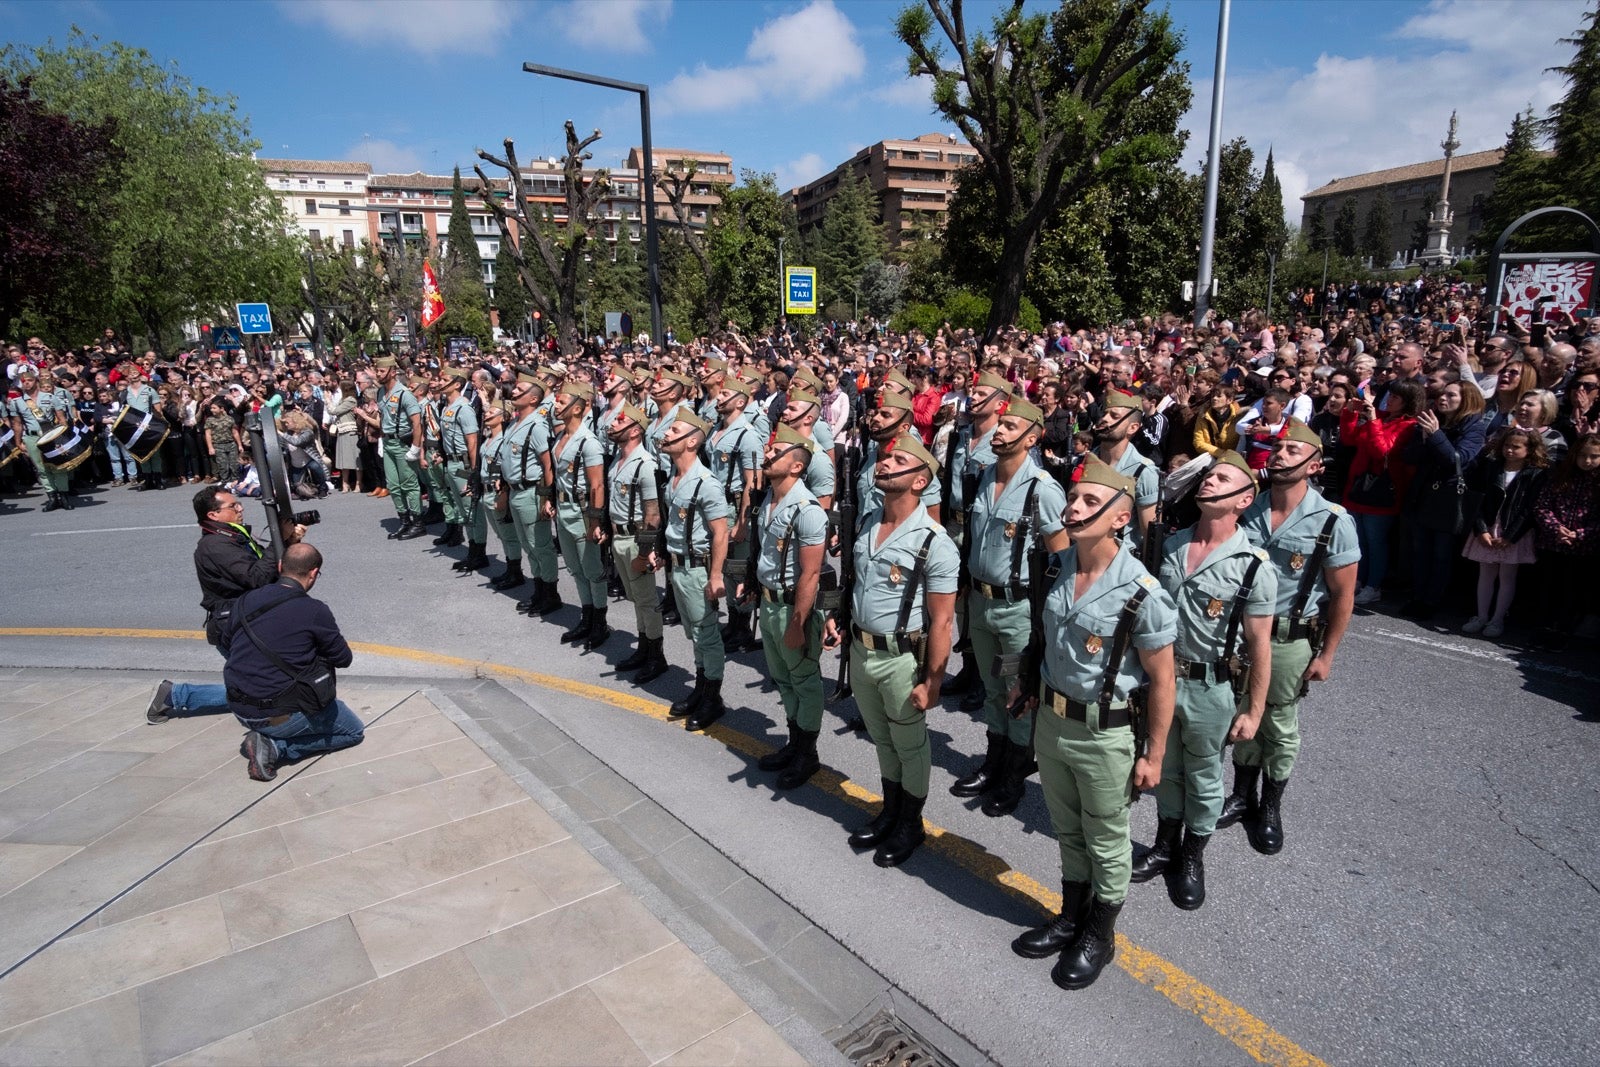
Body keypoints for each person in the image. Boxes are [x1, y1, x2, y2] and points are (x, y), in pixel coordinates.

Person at [1006, 455, 1176, 991]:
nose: (1073, 508)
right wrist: (1025, 684)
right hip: (1054, 725)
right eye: (1073, 498)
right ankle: (1070, 915)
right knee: (1067, 827)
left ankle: (1099, 934)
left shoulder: (1143, 593)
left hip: (1106, 734)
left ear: (1120, 518)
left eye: (1087, 502)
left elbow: (1163, 681)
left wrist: (1154, 755)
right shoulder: (1056, 569)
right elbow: (1045, 642)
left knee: (1107, 839)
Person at [1133, 450, 1274, 910]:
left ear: (1244, 499)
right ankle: (1165, 844)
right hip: (1163, 680)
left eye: (1223, 479)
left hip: (1211, 687)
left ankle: (1192, 856)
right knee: (1166, 766)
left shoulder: (1253, 565)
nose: (1209, 483)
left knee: (1205, 774)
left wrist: (1253, 710)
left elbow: (1259, 647)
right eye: (1209, 477)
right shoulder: (1169, 546)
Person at [1221, 419, 1359, 856]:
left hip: (1287, 637)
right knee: (1243, 714)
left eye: (1292, 452)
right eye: (1278, 449)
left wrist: (1327, 654)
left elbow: (1342, 595)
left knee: (1278, 725)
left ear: (1315, 466)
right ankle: (1243, 795)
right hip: (1242, 635)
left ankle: (1271, 806)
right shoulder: (1249, 506)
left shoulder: (1332, 521)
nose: (1280, 455)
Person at [823, 433, 958, 869]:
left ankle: (910, 823)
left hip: (902, 658)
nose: (884, 463)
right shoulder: (865, 524)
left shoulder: (934, 542)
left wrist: (933, 680)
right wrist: (838, 619)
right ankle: (891, 809)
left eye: (898, 460)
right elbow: (855, 585)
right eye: (885, 458)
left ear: (920, 481)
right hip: (862, 652)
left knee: (910, 744)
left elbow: (941, 621)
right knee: (882, 738)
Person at [950, 395, 1069, 817]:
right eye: (999, 426)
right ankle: (993, 761)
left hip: (1018, 608)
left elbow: (1060, 557)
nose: (999, 431)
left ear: (1032, 437)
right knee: (993, 689)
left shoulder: (1043, 490)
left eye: (1010, 427)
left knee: (1019, 696)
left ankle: (1014, 775)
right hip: (981, 604)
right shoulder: (981, 477)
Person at [145, 485, 304, 725]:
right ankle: (175, 695)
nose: (240, 508)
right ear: (213, 515)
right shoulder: (214, 546)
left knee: (265, 683)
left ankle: (172, 695)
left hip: (248, 619)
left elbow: (269, 569)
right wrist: (276, 540)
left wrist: (288, 543)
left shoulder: (233, 538)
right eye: (232, 506)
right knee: (261, 687)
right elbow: (256, 577)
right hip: (233, 625)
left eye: (238, 504)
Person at [221, 543, 363, 782]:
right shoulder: (314, 610)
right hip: (279, 716)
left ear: (279, 567)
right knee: (353, 731)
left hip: (238, 707)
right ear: (314, 573)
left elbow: (226, 642)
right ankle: (276, 748)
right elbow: (343, 659)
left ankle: (266, 737)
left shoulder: (245, 600)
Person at [744, 424, 830, 789]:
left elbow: (810, 575)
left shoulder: (808, 510)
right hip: (769, 604)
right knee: (783, 678)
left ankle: (807, 754)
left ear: (796, 466)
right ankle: (794, 742)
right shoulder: (771, 499)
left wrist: (799, 622)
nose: (766, 453)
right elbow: (765, 553)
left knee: (804, 681)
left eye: (775, 450)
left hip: (792, 608)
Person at [643, 410, 730, 731]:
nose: (666, 434)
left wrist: (716, 576)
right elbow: (673, 525)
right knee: (694, 634)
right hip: (679, 568)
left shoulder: (705, 483)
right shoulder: (674, 480)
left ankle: (713, 698)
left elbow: (720, 533)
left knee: (707, 634)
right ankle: (701, 689)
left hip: (697, 570)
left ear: (691, 441)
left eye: (674, 430)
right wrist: (662, 553)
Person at [1400, 378, 1487, 618]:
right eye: (1442, 394)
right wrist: (1427, 438)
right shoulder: (1430, 422)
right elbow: (1410, 456)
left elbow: (1457, 460)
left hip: (1448, 499)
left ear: (1466, 400)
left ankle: (1431, 601)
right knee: (1420, 551)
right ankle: (1416, 596)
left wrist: (1436, 435)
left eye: (1451, 395)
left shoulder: (1474, 426)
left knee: (1441, 553)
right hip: (1424, 494)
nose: (1443, 399)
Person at [1342, 380, 1423, 606]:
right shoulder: (1380, 416)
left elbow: (1382, 451)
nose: (1390, 399)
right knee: (1358, 540)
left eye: (1396, 397)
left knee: (1376, 541)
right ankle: (1358, 580)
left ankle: (1373, 585)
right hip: (1358, 486)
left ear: (1408, 402)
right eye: (1390, 395)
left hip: (1381, 492)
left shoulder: (1409, 425)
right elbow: (1350, 439)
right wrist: (1350, 414)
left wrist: (1374, 420)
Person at [1461, 427, 1547, 638]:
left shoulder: (1535, 474)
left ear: (1529, 449)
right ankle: (1481, 616)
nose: (1510, 450)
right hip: (1489, 528)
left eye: (1516, 447)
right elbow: (1477, 499)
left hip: (1512, 532)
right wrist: (1481, 530)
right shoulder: (1492, 467)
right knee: (1486, 574)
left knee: (1507, 576)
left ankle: (1497, 619)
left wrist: (1510, 536)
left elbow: (1529, 508)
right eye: (1507, 445)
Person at [605, 401, 669, 683]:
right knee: (636, 599)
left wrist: (645, 552)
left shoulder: (644, 464)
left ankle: (656, 655)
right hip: (620, 537)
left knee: (646, 600)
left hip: (635, 539)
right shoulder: (619, 460)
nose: (612, 425)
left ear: (634, 431)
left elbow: (652, 514)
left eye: (619, 422)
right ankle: (644, 647)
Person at [548, 379, 611, 649]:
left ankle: (600, 620)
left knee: (592, 569)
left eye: (562, 402)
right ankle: (586, 615)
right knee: (575, 568)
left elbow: (597, 485)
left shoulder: (589, 443)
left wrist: (595, 520)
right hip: (563, 508)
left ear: (578, 408)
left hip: (583, 511)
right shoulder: (562, 437)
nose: (556, 405)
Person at [1530, 433, 1600, 651]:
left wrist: (1578, 534)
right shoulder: (1560, 476)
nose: (1587, 461)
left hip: (1583, 547)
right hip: (1552, 544)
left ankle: (1563, 632)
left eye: (1594, 456)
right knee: (1548, 587)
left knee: (1572, 591)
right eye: (1582, 455)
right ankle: (1543, 628)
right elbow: (1542, 506)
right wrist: (1556, 528)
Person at [6, 366, 75, 511]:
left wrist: (63, 438)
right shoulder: (16, 402)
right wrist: (18, 442)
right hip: (31, 437)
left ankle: (64, 497)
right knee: (41, 469)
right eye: (23, 381)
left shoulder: (50, 397)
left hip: (50, 436)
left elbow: (62, 420)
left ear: (36, 381)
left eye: (30, 380)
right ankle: (52, 497)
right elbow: (17, 424)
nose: (27, 383)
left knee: (58, 467)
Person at [374, 357, 425, 539]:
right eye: (377, 371)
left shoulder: (404, 394)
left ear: (392, 372)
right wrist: (381, 439)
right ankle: (404, 520)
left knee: (409, 484)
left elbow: (417, 423)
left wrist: (415, 448)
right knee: (393, 485)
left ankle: (418, 522)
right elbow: (383, 418)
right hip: (388, 443)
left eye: (381, 371)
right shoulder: (380, 393)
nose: (378, 374)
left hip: (402, 443)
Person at [430, 372, 480, 552]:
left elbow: (472, 441)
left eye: (445, 380)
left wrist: (473, 471)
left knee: (471, 509)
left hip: (463, 463)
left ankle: (478, 550)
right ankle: (472, 547)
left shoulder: (463, 408)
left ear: (457, 384)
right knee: (461, 507)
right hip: (451, 461)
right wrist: (443, 454)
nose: (440, 383)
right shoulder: (446, 407)